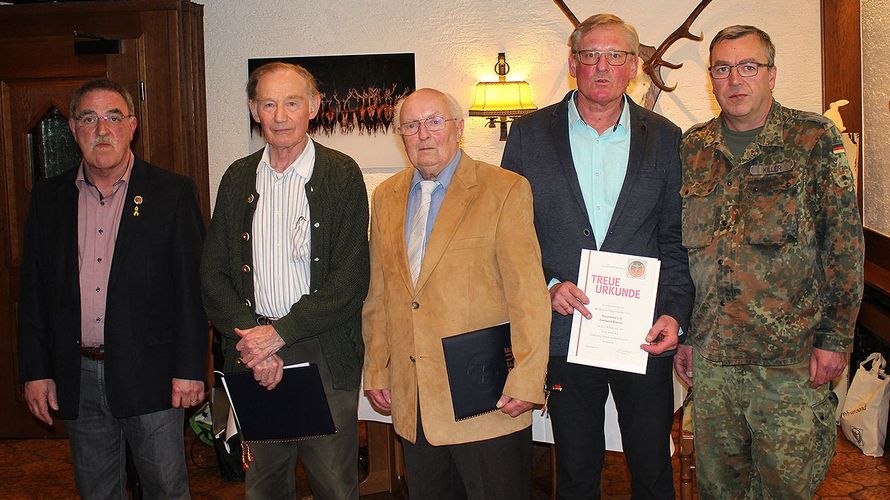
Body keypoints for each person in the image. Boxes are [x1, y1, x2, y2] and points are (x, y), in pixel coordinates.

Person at [501, 13, 695, 499]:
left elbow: (675, 237)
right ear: (573, 63)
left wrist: (674, 312)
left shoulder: (668, 137)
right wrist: (547, 285)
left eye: (616, 56)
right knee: (575, 470)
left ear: (634, 66)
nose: (603, 66)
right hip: (569, 330)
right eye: (591, 55)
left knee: (652, 468)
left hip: (643, 332)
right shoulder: (528, 135)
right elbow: (513, 235)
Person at [674, 25, 864, 498]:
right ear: (711, 79)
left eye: (749, 67)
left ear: (772, 75)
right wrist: (687, 335)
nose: (735, 79)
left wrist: (835, 339)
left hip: (790, 363)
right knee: (719, 489)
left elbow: (843, 245)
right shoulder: (693, 148)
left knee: (788, 488)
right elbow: (685, 254)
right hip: (714, 364)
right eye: (723, 68)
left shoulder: (813, 140)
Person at [18, 78, 207, 499]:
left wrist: (190, 369)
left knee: (166, 489)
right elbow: (33, 294)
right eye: (89, 118)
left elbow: (191, 293)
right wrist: (36, 371)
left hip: (153, 375)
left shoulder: (171, 193)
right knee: (97, 491)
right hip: (78, 374)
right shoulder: (49, 199)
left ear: (132, 126)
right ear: (73, 129)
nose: (102, 129)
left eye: (113, 117)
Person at [362, 88, 551, 499]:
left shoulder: (504, 189)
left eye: (434, 122)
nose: (423, 134)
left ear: (458, 129)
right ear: (401, 135)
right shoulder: (387, 196)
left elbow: (529, 296)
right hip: (415, 400)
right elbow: (379, 293)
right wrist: (378, 367)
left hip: (485, 397)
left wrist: (527, 377)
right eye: (411, 125)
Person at [200, 62, 369, 500]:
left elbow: (350, 279)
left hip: (324, 351)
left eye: (292, 102)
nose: (280, 116)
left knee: (333, 483)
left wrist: (279, 334)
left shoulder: (342, 174)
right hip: (250, 348)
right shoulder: (237, 177)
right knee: (265, 484)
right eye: (269, 104)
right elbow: (214, 274)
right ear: (254, 110)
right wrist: (256, 344)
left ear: (313, 106)